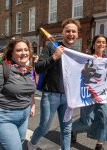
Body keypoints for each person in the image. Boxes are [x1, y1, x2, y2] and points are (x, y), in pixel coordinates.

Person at [28, 18, 81, 150]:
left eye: (73, 31)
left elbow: (83, 73)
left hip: (68, 97)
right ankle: (32, 143)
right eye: (67, 31)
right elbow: (38, 68)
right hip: (50, 95)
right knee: (44, 127)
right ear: (62, 32)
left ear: (77, 34)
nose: (71, 34)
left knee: (67, 129)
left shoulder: (76, 53)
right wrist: (54, 57)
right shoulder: (51, 46)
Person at [0, 38, 36, 150]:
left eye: (26, 49)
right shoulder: (3, 69)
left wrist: (32, 104)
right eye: (19, 50)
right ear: (12, 53)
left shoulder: (29, 69)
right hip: (2, 116)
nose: (23, 53)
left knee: (20, 143)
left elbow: (30, 89)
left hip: (23, 115)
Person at [71, 35, 107, 150]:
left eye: (103, 42)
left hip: (101, 97)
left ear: (106, 45)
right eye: (98, 42)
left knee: (106, 120)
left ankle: (99, 145)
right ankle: (71, 130)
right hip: (87, 95)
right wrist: (90, 62)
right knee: (86, 122)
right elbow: (81, 74)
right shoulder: (87, 58)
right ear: (94, 44)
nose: (101, 44)